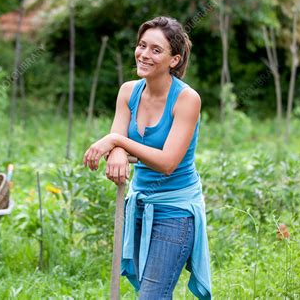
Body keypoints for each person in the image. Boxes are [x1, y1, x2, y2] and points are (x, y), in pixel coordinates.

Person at [83, 16, 212, 299]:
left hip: (175, 211)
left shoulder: (187, 99)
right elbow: (118, 138)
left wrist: (116, 142)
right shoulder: (128, 92)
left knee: (152, 296)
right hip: (139, 203)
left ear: (174, 60)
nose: (144, 54)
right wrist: (117, 149)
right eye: (142, 45)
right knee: (151, 292)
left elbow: (168, 162)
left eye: (156, 50)